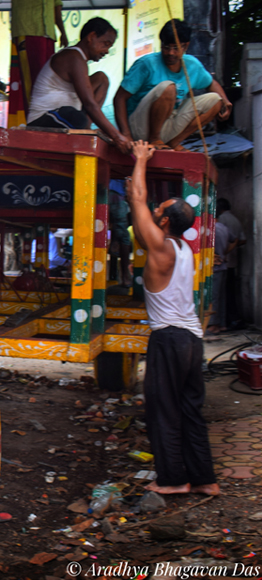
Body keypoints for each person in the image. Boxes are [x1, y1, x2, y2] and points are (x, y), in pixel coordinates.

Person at [126, 140, 219, 496]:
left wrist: (140, 159)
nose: (153, 209)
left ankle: (174, 480)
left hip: (168, 339)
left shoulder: (161, 248)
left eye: (159, 209)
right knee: (190, 409)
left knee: (163, 410)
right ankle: (205, 479)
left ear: (163, 220)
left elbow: (136, 197)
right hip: (192, 341)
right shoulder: (184, 250)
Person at [114, 19, 231, 152]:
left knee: (216, 100)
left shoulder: (192, 65)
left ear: (185, 46)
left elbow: (211, 83)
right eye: (166, 47)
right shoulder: (146, 64)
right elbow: (119, 98)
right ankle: (155, 139)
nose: (170, 53)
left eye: (176, 48)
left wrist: (226, 102)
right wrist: (126, 135)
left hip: (168, 124)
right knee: (169, 87)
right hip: (139, 129)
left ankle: (174, 142)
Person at [27, 17, 133, 155]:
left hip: (62, 117)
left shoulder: (78, 58)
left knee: (101, 79)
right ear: (92, 36)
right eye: (105, 44)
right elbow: (89, 104)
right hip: (43, 120)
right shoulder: (73, 57)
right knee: (76, 117)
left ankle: (86, 128)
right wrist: (118, 137)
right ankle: (86, 129)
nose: (106, 51)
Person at [9, 0, 69, 120]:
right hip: (27, 29)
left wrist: (63, 32)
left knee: (47, 80)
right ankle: (33, 120)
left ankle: (45, 119)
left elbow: (57, 9)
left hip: (48, 35)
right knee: (30, 80)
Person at [215, 198, 246, 329]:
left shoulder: (219, 222)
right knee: (226, 294)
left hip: (218, 263)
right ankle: (226, 322)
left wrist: (222, 252)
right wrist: (227, 251)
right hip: (230, 263)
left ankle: (216, 324)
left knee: (216, 295)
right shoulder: (235, 220)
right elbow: (242, 240)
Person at [108, 179, 132, 287]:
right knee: (123, 234)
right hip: (115, 192)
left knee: (119, 230)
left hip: (110, 190)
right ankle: (125, 276)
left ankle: (114, 242)